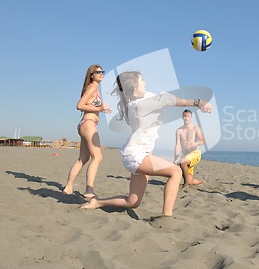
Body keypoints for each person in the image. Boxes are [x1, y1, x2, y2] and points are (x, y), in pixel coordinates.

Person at [80, 71, 212, 217]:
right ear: (134, 87)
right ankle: (166, 217)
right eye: (142, 81)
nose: (145, 83)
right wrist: (199, 102)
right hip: (136, 157)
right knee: (176, 172)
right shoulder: (139, 105)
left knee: (133, 202)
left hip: (140, 155)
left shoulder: (141, 98)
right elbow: (168, 99)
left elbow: (162, 98)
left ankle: (97, 202)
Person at [62, 65, 111, 198]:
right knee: (98, 157)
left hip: (87, 124)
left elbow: (91, 106)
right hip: (88, 124)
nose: (101, 74)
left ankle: (68, 187)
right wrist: (99, 109)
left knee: (83, 159)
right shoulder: (92, 87)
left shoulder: (96, 88)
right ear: (91, 75)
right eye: (98, 72)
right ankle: (89, 189)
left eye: (102, 72)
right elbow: (79, 105)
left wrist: (101, 109)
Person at [174, 109, 206, 188]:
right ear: (182, 117)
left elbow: (203, 141)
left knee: (183, 163)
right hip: (185, 155)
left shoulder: (195, 128)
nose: (186, 118)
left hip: (195, 153)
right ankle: (200, 182)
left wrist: (196, 143)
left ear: (191, 118)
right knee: (190, 180)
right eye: (185, 116)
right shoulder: (179, 131)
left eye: (188, 116)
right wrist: (176, 158)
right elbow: (177, 145)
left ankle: (185, 184)